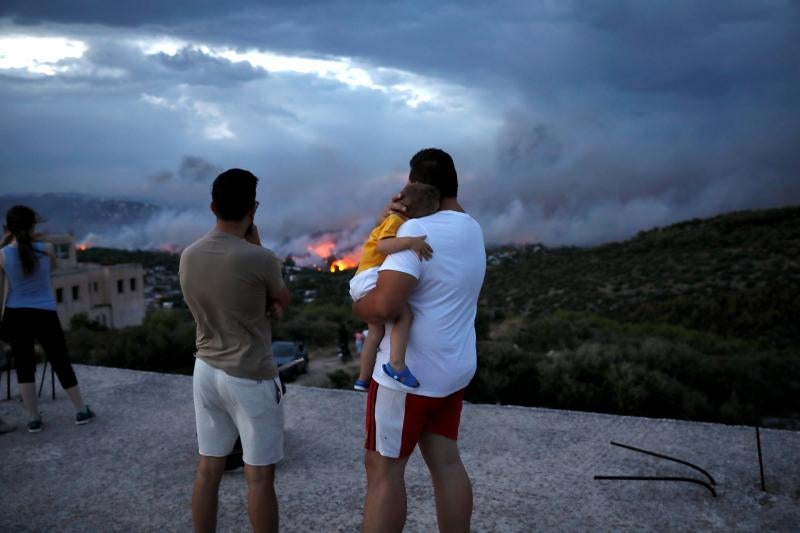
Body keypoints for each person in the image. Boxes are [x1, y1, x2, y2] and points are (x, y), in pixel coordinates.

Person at [353, 148, 486, 533]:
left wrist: (360, 304)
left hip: (408, 377)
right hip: (454, 370)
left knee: (383, 470)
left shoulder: (415, 232)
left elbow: (382, 307)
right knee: (446, 462)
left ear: (415, 185)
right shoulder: (472, 227)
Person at [179, 168, 290, 533]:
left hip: (206, 370)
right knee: (259, 479)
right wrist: (256, 246)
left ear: (213, 206)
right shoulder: (260, 258)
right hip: (250, 375)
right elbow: (281, 301)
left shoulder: (188, 256)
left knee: (208, 469)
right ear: (253, 209)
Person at [0, 205, 95, 433]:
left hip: (15, 314)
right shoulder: (48, 249)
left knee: (24, 366)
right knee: (60, 360)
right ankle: (80, 410)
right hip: (44, 313)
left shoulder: (2, 254)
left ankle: (33, 419)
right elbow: (49, 267)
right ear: (34, 225)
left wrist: (6, 241)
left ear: (8, 228)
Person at [350, 182, 440, 392]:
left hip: (362, 280)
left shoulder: (394, 218)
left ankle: (362, 380)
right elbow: (382, 245)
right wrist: (410, 242)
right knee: (404, 315)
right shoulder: (396, 219)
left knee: (375, 333)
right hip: (369, 276)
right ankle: (397, 364)